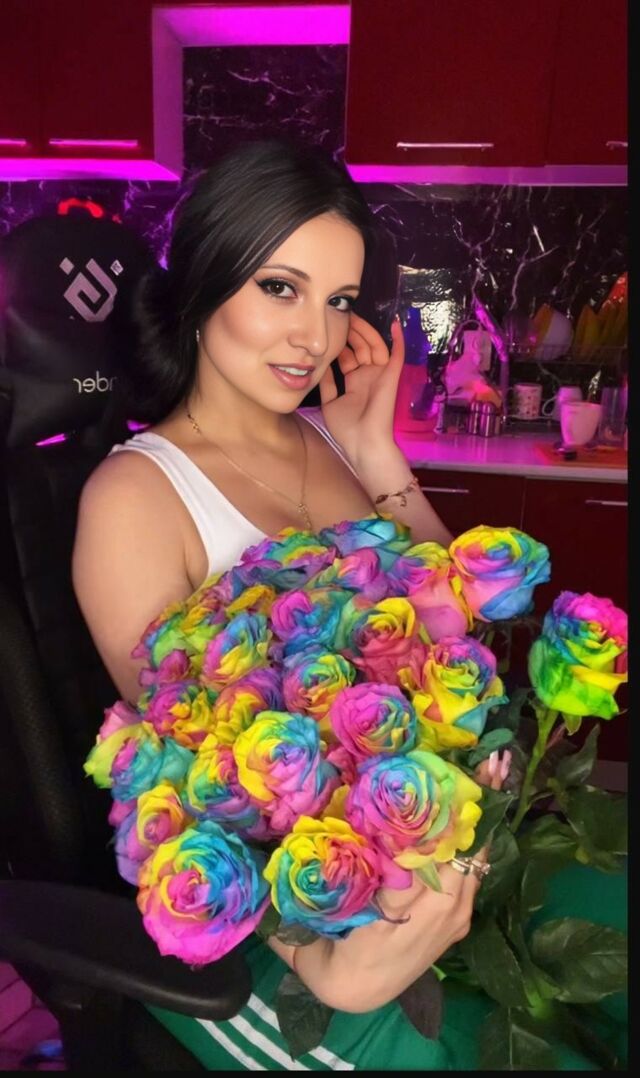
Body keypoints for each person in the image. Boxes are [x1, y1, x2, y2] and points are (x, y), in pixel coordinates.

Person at [72, 141, 625, 1070]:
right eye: (280, 289)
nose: (315, 339)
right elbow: (185, 773)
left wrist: (374, 449)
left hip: (435, 846)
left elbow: (467, 628)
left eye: (338, 301)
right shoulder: (133, 495)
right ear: (204, 282)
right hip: (280, 923)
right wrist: (327, 967)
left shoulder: (328, 440)